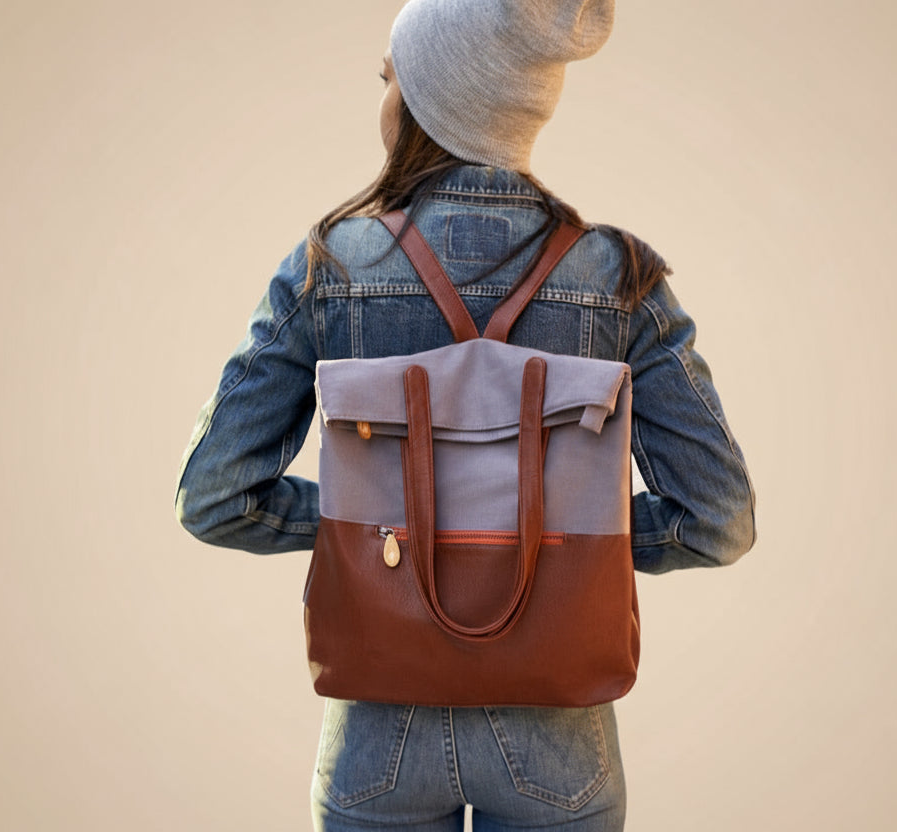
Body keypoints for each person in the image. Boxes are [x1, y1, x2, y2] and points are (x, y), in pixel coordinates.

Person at [175, 0, 757, 828]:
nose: (381, 98)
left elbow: (213, 496)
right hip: (560, 740)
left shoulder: (329, 265)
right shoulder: (621, 278)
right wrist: (572, 541)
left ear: (430, 102)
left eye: (389, 79)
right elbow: (720, 521)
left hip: (377, 737)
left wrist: (367, 527)